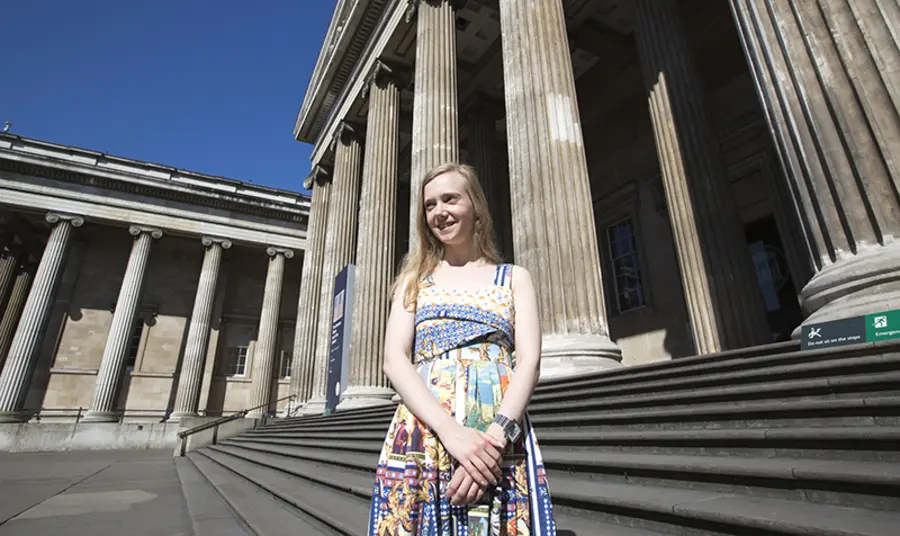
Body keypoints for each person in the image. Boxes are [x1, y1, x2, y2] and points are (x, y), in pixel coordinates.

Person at [367, 163, 557, 535]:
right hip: (426, 431)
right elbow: (394, 361)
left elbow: (530, 361)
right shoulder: (414, 280)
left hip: (498, 434)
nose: (439, 212)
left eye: (450, 199)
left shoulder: (515, 278)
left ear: (475, 205)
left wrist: (494, 441)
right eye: (430, 205)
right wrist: (451, 433)